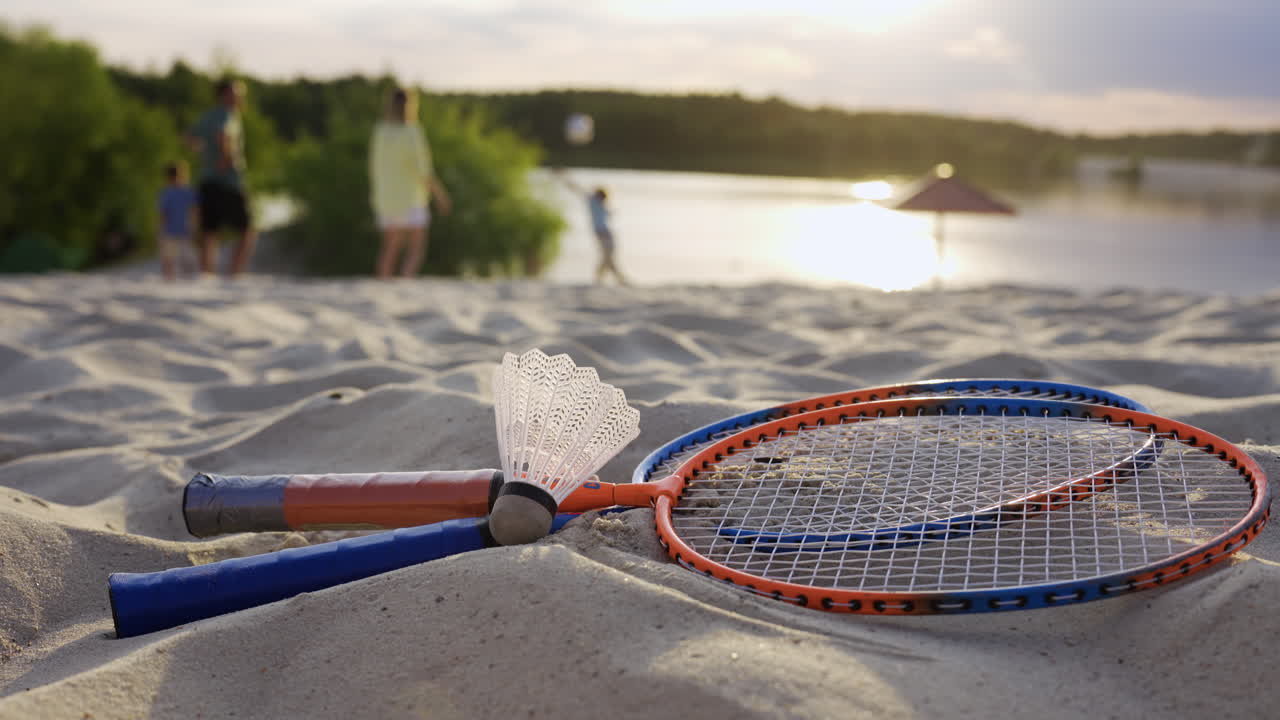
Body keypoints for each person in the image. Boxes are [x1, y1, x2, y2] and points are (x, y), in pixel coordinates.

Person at [368, 87, 451, 279]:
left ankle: (383, 284)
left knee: (389, 246)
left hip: (386, 197)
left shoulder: (380, 132)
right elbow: (423, 171)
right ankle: (406, 278)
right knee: (416, 246)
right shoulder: (412, 133)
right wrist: (439, 194)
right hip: (410, 197)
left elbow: (374, 167)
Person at [186, 78, 255, 277]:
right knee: (247, 230)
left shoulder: (207, 116)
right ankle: (235, 274)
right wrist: (226, 160)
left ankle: (207, 274)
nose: (240, 98)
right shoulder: (228, 116)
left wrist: (203, 153)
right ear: (224, 95)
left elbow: (189, 137)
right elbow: (223, 136)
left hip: (207, 179)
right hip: (228, 180)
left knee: (210, 230)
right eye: (236, 93)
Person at [556, 172, 629, 285]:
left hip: (606, 232)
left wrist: (611, 212)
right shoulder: (592, 201)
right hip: (601, 232)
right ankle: (617, 279)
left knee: (607, 256)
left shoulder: (602, 204)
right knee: (608, 256)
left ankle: (601, 278)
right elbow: (575, 188)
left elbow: (608, 215)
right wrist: (563, 176)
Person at [156, 161, 196, 281]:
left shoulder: (167, 193)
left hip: (174, 230)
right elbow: (194, 211)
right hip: (180, 230)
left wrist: (160, 230)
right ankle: (177, 277)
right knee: (180, 256)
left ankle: (170, 277)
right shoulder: (187, 192)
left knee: (172, 256)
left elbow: (162, 214)